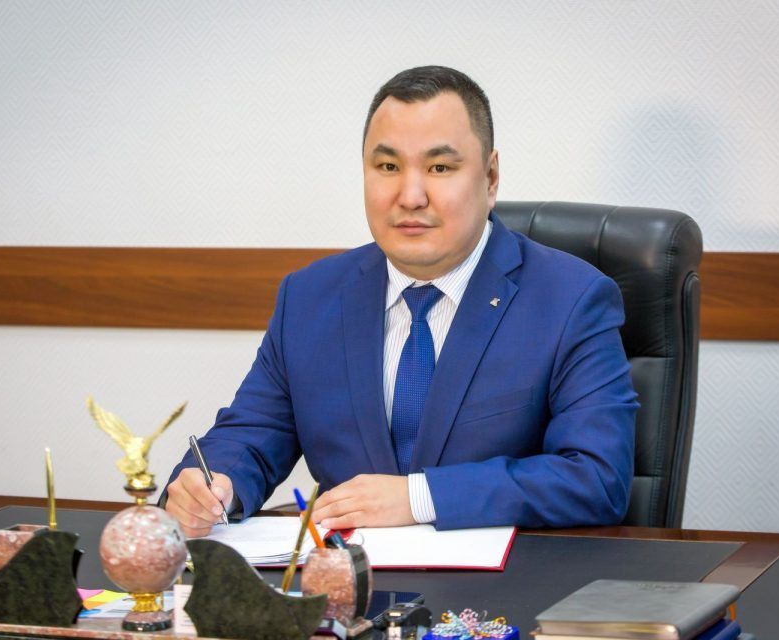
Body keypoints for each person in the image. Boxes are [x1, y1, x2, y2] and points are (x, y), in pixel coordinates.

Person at [164, 65, 638, 537]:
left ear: (490, 178)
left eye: (440, 168)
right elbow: (250, 435)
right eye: (388, 167)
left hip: (507, 578)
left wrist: (418, 497)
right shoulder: (309, 297)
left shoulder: (571, 299)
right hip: (350, 577)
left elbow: (596, 478)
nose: (410, 197)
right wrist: (213, 485)